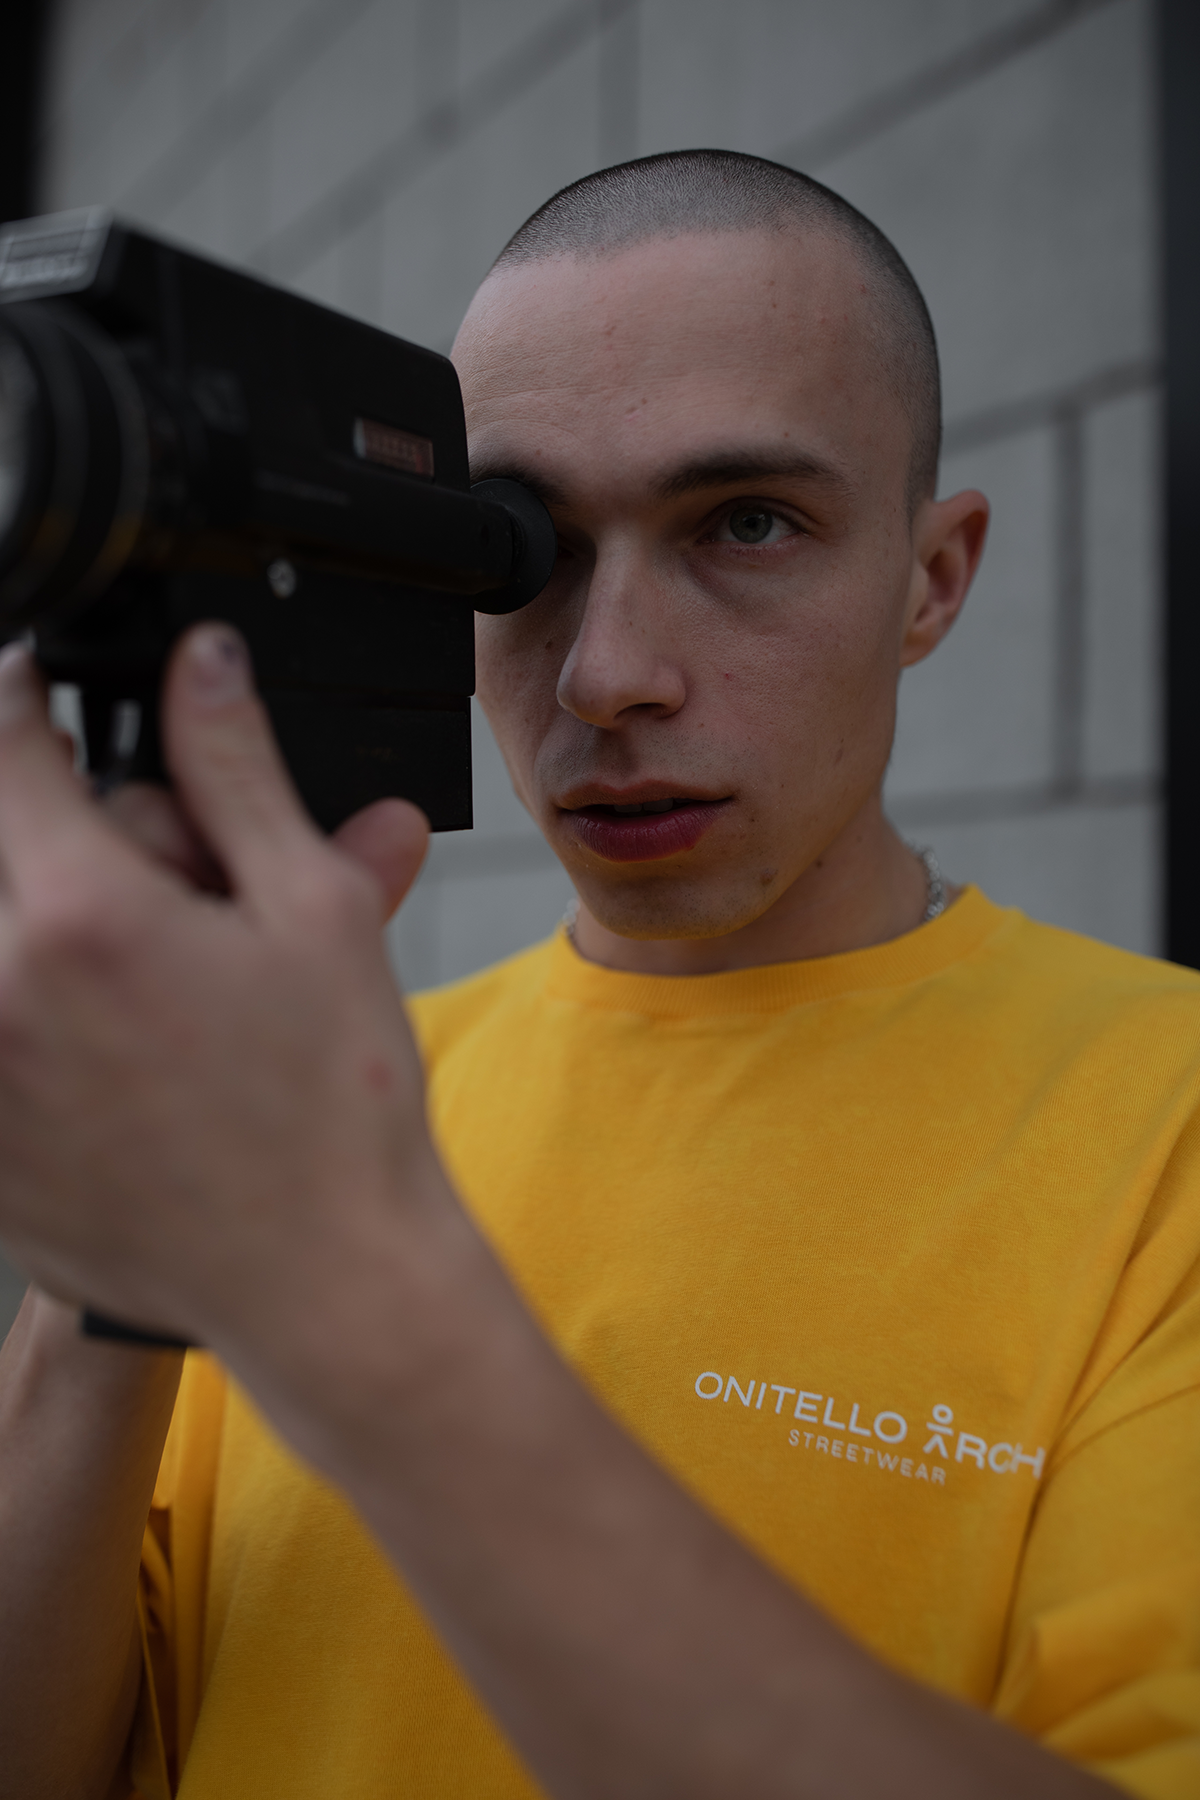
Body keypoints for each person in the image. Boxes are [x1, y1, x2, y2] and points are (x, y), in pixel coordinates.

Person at [0, 151, 1195, 1800]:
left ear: (932, 578)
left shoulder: (1166, 1122)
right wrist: (104, 1257)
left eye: (749, 524)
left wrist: (342, 1293)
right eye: (520, 551)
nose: (611, 673)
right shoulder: (307, 1106)